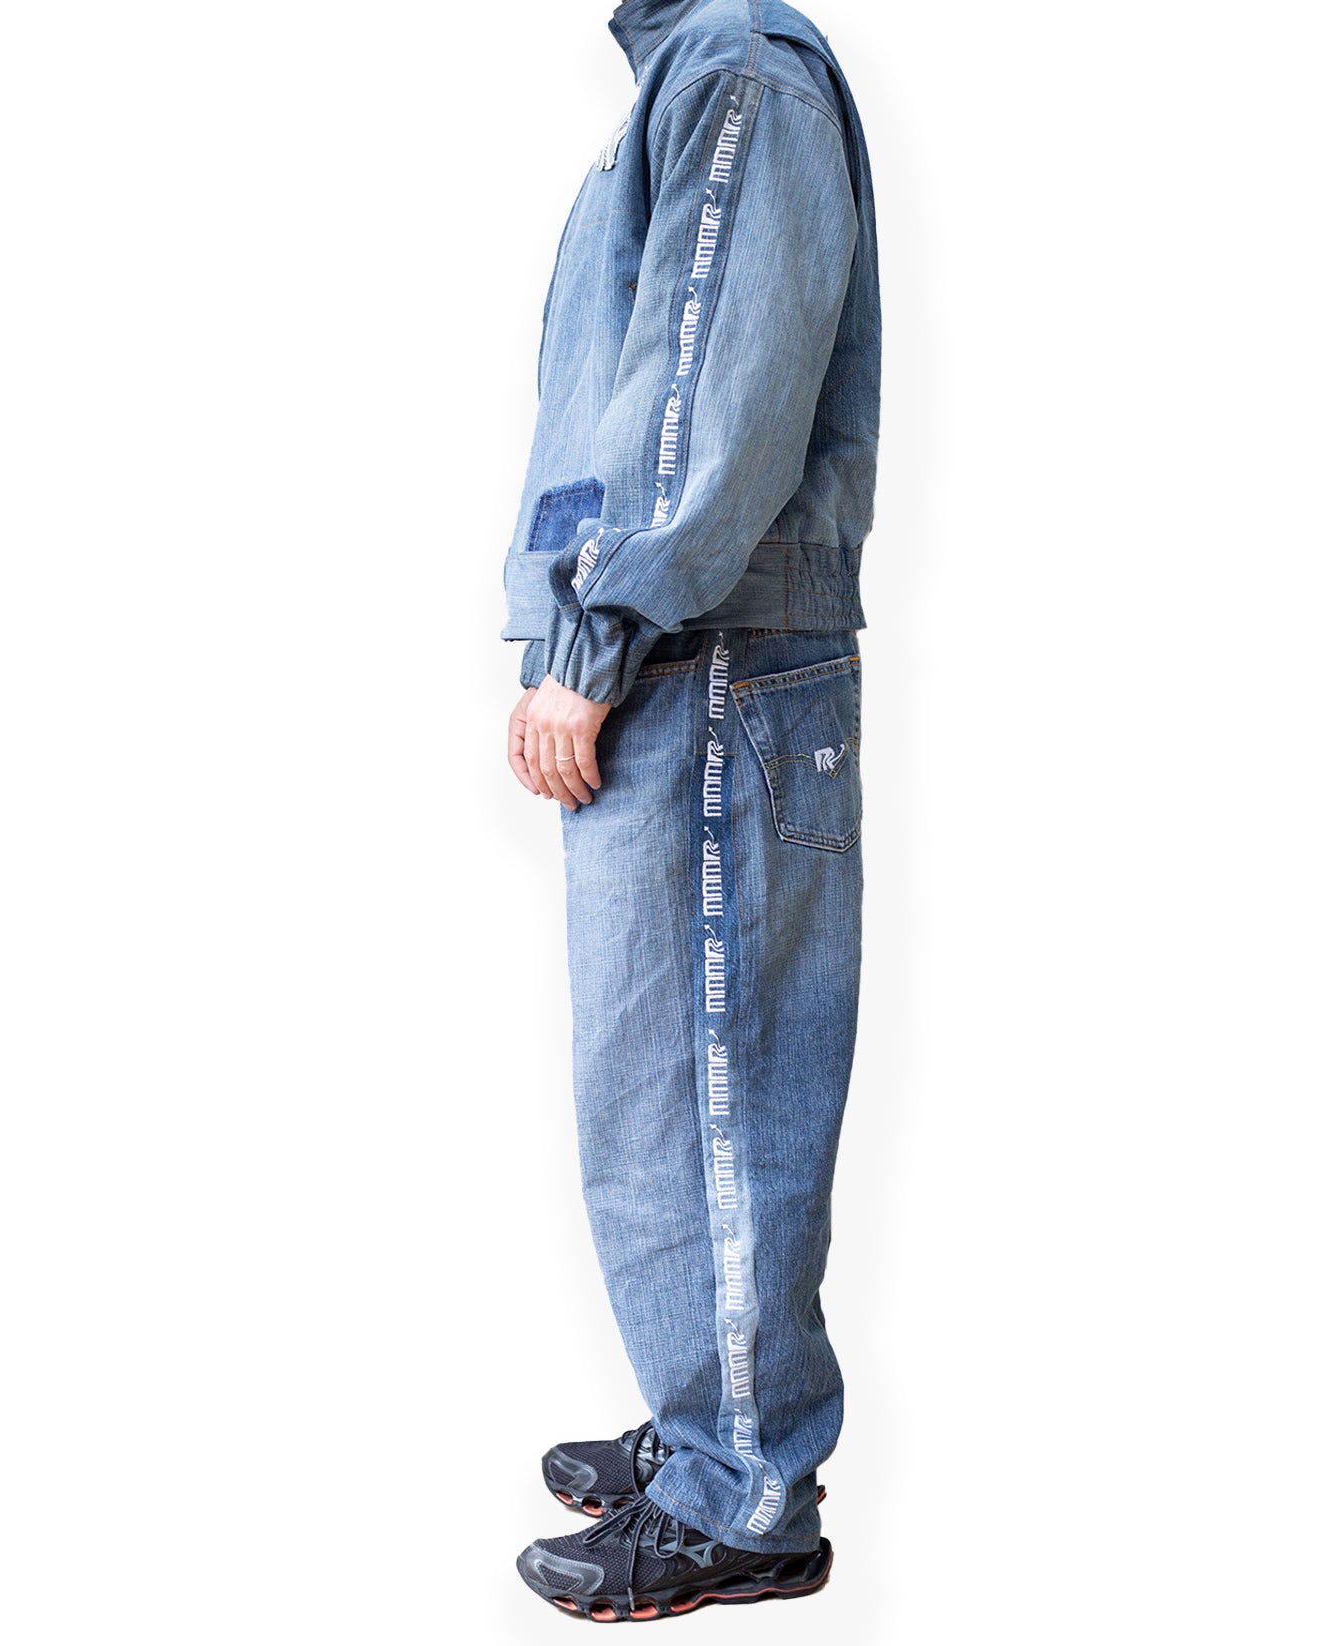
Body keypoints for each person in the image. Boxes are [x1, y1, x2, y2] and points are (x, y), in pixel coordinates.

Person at [498, 0, 881, 1622]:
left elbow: (698, 403)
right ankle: (711, 1417)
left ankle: (744, 1487)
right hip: (689, 653)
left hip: (699, 657)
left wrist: (593, 638)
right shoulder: (693, 70)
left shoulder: (731, 66)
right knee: (668, 1085)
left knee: (710, 1089)